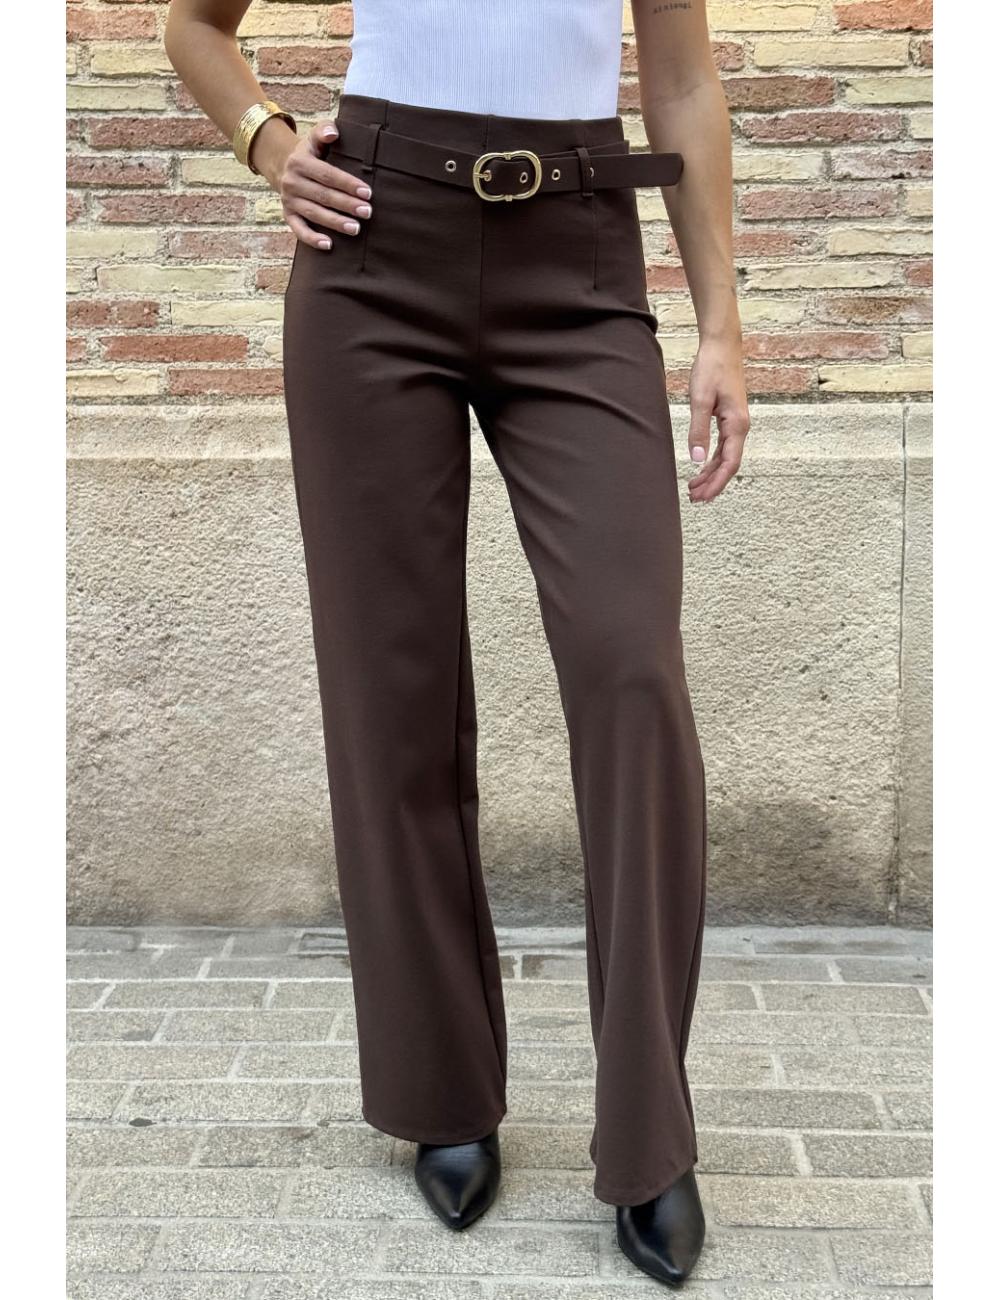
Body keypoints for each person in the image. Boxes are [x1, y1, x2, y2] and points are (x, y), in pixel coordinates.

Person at [165, 0, 750, 1286]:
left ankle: (650, 1133)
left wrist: (719, 326)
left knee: (631, 667)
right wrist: (268, 141)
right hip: (374, 254)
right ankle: (442, 1093)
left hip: (579, 262)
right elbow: (194, 26)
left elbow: (683, 83)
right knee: (394, 691)